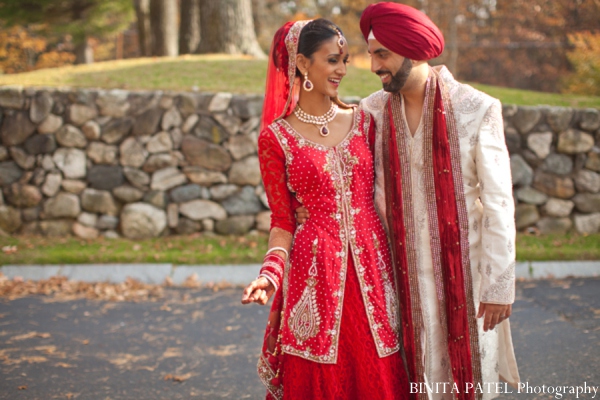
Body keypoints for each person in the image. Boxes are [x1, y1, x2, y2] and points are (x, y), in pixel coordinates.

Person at [295, 3, 520, 399]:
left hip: (466, 281)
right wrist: (311, 205)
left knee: (470, 381)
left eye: (382, 54)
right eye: (371, 53)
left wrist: (499, 286)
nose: (372, 65)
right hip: (400, 284)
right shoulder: (371, 112)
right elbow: (346, 174)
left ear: (413, 50)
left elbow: (499, 203)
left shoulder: (476, 109)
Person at [241, 18, 409, 400]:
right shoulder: (276, 138)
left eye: (346, 60)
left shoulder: (366, 121)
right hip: (314, 278)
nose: (343, 70)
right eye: (333, 60)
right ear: (302, 63)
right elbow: (283, 221)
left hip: (374, 272)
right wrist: (269, 275)